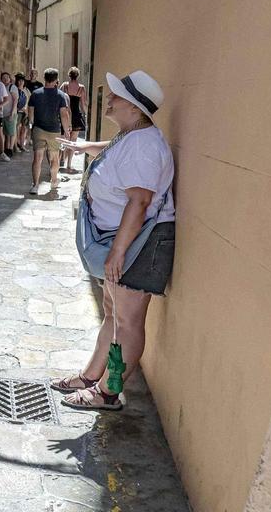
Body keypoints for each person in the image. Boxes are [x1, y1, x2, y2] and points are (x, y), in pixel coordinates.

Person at [52, 71, 174, 411]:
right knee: (111, 312)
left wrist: (117, 252)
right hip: (121, 242)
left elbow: (139, 202)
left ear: (134, 108)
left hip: (136, 245)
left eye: (117, 96)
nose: (110, 98)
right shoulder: (132, 135)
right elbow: (115, 153)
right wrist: (86, 147)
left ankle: (108, 392)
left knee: (126, 322)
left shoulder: (145, 146)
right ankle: (91, 375)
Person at [27, 68, 72, 195]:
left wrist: (31, 124)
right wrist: (67, 130)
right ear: (56, 80)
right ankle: (53, 180)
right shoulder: (60, 95)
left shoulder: (35, 93)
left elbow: (30, 111)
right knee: (54, 158)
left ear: (44, 78)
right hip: (54, 130)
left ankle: (35, 185)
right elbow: (64, 114)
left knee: (38, 158)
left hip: (38, 129)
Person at [63, 67, 89, 172]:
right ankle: (69, 164)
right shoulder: (81, 88)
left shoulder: (64, 86)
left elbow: (61, 99)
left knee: (65, 139)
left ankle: (61, 159)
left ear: (69, 75)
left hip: (66, 114)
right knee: (73, 141)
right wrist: (86, 115)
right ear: (78, 75)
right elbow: (83, 105)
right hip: (76, 115)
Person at [0, 71, 19, 158]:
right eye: (3, 77)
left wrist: (12, 113)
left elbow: (15, 100)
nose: (5, 79)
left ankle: (10, 149)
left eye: (7, 77)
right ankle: (7, 149)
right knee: (6, 132)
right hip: (3, 113)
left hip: (10, 112)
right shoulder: (2, 87)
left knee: (11, 132)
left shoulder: (12, 87)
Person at [13, 74, 31, 152]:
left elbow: (30, 101)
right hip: (18, 112)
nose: (20, 82)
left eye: (22, 81)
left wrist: (28, 112)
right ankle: (15, 145)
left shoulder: (26, 90)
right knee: (16, 129)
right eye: (19, 81)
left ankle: (22, 145)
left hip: (25, 112)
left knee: (24, 129)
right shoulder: (15, 89)